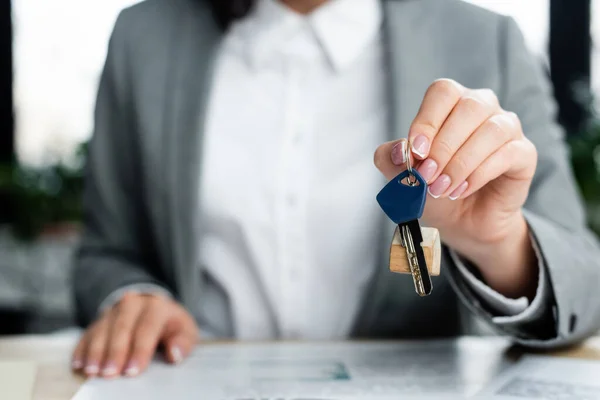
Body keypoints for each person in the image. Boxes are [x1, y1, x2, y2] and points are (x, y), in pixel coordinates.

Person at [71, 0, 600, 379]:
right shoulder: (143, 36)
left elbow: (586, 285)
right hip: (185, 379)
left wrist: (497, 242)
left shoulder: (487, 40)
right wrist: (133, 296)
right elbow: (105, 251)